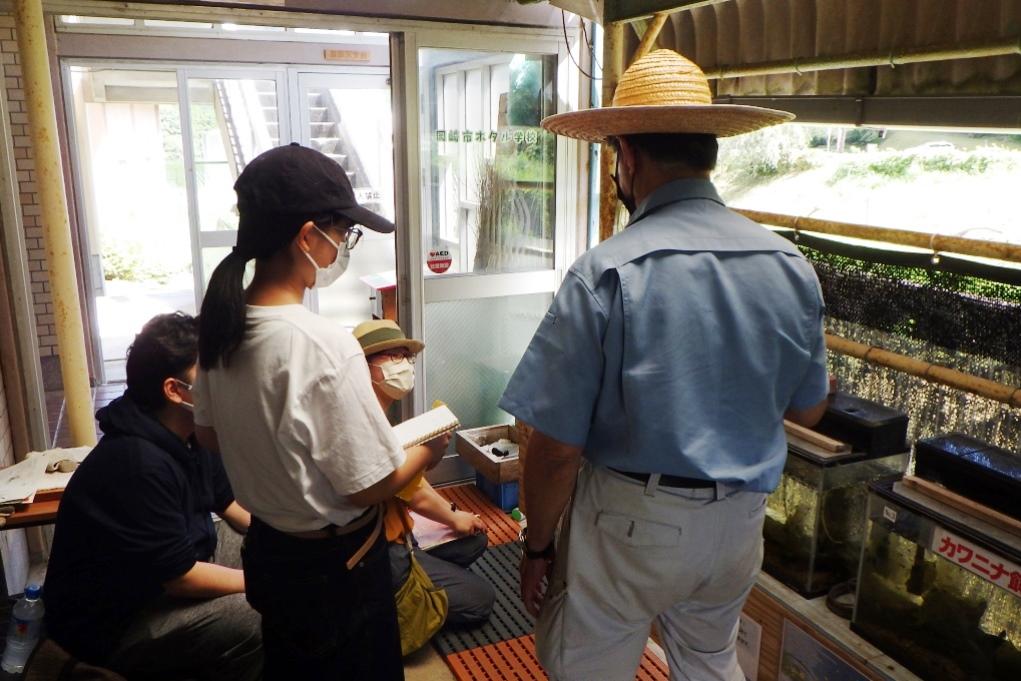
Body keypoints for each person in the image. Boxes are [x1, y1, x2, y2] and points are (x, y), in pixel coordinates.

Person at [499, 50, 831, 681]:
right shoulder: (788, 265)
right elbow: (808, 407)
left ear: (626, 155)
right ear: (709, 151)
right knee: (709, 661)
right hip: (739, 522)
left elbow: (554, 448)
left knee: (587, 668)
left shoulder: (608, 271)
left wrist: (537, 543)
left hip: (630, 521)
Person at [193, 143, 446, 680]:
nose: (342, 247)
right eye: (342, 233)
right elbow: (365, 487)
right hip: (335, 568)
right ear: (308, 237)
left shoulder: (222, 329)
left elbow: (211, 436)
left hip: (269, 550)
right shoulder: (321, 343)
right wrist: (428, 449)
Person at [44, 312, 261, 681]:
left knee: (267, 554)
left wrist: (290, 545)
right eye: (211, 374)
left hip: (170, 570)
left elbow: (229, 505)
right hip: (117, 624)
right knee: (258, 614)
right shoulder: (137, 463)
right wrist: (264, 581)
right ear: (174, 390)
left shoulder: (191, 432)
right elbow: (182, 578)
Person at [353, 319, 496, 636]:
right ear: (360, 366)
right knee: (481, 601)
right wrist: (428, 453)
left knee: (474, 536)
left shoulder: (378, 415)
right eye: (391, 356)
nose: (403, 365)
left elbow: (410, 485)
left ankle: (421, 575)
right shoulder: (359, 422)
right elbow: (396, 485)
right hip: (379, 554)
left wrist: (454, 516)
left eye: (405, 356)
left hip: (398, 536)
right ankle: (394, 605)